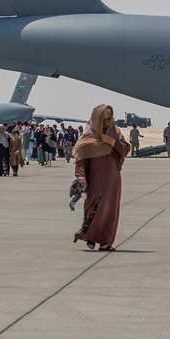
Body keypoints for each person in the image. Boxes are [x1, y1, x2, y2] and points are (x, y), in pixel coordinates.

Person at [73, 104, 131, 251]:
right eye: (104, 118)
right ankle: (91, 236)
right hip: (95, 179)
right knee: (93, 206)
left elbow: (125, 149)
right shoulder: (89, 136)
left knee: (110, 209)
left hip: (113, 179)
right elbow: (81, 159)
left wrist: (112, 142)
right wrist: (80, 176)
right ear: (97, 118)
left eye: (110, 118)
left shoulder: (115, 132)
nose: (108, 121)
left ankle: (106, 241)